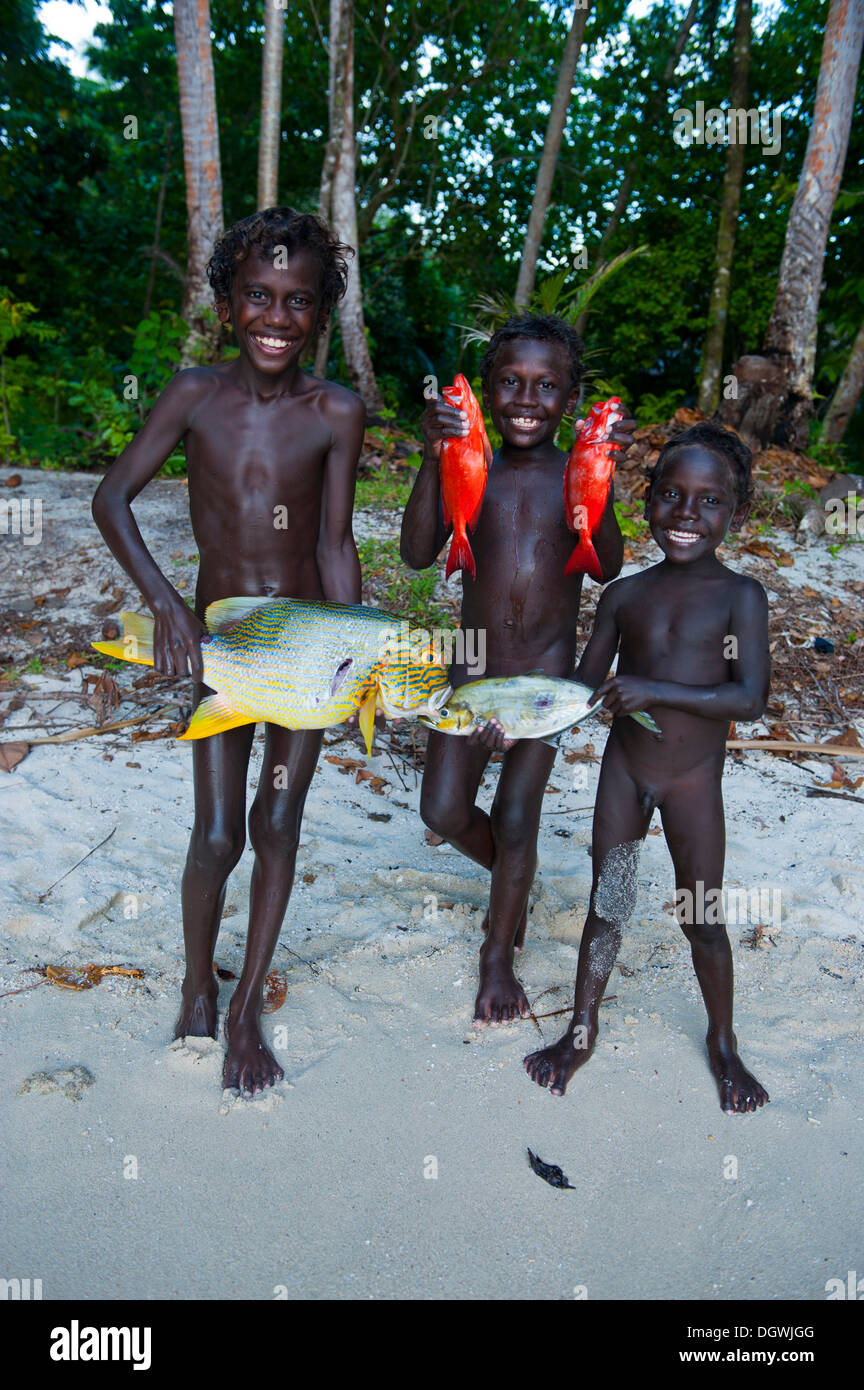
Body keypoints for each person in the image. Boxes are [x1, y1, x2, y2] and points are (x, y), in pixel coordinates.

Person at [92, 207, 365, 1095]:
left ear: (322, 311)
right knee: (215, 833)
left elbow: (333, 544)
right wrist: (168, 607)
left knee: (275, 821)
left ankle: (246, 1006)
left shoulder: (335, 412)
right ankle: (194, 982)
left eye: (297, 301)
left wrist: (351, 648)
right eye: (258, 295)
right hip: (224, 651)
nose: (275, 318)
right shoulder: (192, 396)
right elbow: (112, 500)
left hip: (305, 653)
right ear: (226, 300)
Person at [524, 422, 771, 1113]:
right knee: (611, 904)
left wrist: (654, 690)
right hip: (627, 778)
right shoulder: (624, 597)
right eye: (671, 495)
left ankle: (723, 1045)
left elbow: (748, 698)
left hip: (692, 785)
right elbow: (581, 690)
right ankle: (580, 1029)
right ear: (649, 500)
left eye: (708, 502)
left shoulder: (740, 598)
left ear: (736, 513)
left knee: (703, 917)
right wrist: (512, 721)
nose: (686, 515)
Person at [401, 315, 635, 1027]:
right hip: (471, 672)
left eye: (545, 386)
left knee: (516, 817)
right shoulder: (473, 465)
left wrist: (606, 472)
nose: (525, 399)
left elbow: (611, 564)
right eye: (508, 382)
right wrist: (431, 453)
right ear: (489, 389)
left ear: (570, 398)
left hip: (542, 680)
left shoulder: (576, 470)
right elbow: (416, 553)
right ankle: (515, 879)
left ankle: (496, 955)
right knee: (441, 810)